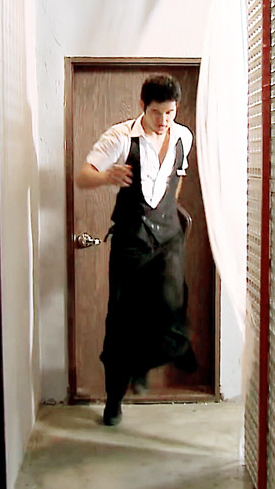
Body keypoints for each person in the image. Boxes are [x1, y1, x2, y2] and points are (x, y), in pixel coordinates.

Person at [75, 74, 198, 426]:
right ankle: (114, 399)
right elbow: (82, 177)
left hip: (168, 237)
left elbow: (176, 178)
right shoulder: (120, 137)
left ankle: (150, 360)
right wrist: (106, 176)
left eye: (170, 113)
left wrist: (168, 212)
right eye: (157, 113)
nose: (163, 121)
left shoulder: (183, 136)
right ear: (143, 106)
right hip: (131, 239)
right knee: (122, 320)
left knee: (172, 305)